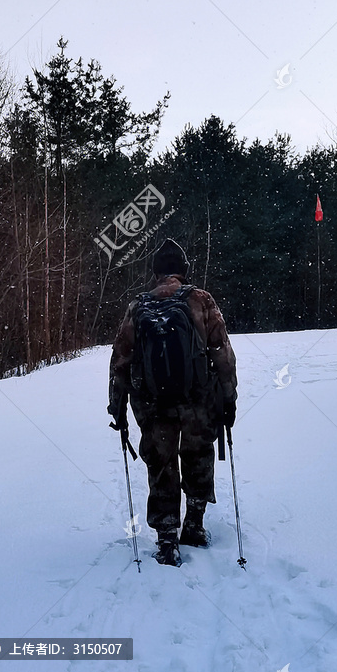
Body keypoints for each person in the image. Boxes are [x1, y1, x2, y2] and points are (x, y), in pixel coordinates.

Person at [108, 238, 238, 566]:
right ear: (184, 270)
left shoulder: (138, 306)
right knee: (198, 455)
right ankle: (194, 525)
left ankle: (167, 539)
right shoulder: (201, 300)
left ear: (155, 273)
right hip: (197, 399)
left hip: (153, 404)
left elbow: (120, 360)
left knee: (161, 464)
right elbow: (222, 353)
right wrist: (229, 397)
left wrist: (117, 407)